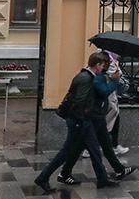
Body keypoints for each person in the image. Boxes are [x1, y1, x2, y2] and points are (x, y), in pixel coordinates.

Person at [34, 52, 120, 193]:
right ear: (97, 65)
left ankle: (101, 179)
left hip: (80, 121)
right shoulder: (86, 78)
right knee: (66, 152)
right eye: (102, 65)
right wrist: (82, 120)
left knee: (93, 151)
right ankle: (43, 177)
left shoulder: (85, 76)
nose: (103, 68)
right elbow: (79, 101)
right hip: (80, 122)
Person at [57, 51, 134, 185]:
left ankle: (118, 170)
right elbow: (103, 91)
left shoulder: (100, 73)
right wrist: (114, 79)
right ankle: (61, 173)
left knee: (104, 144)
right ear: (99, 64)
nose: (105, 66)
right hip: (91, 117)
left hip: (96, 116)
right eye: (104, 64)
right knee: (80, 149)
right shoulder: (94, 76)